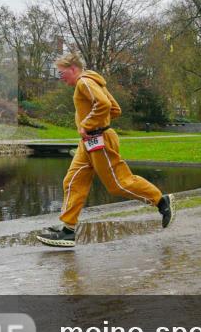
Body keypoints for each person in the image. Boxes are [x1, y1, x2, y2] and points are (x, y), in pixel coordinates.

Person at [37, 53, 174, 247]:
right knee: (73, 180)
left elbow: (104, 104)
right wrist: (96, 125)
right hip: (90, 142)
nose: (61, 77)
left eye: (62, 73)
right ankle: (68, 230)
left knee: (117, 183)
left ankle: (161, 201)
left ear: (73, 68)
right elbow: (116, 109)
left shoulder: (84, 82)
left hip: (98, 140)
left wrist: (88, 124)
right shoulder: (92, 81)